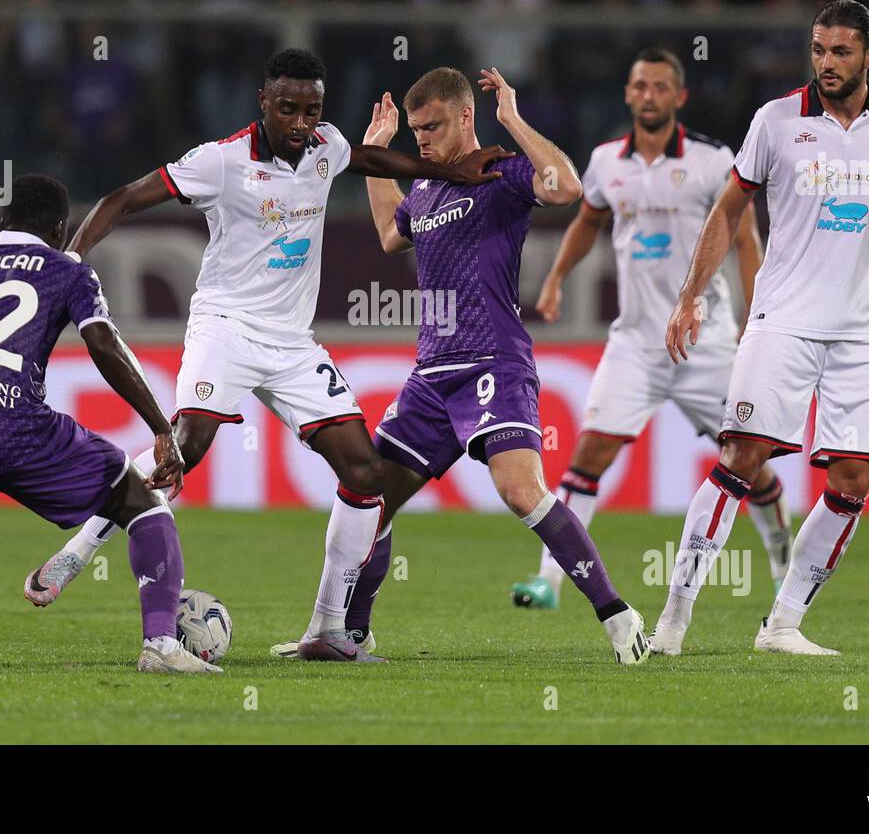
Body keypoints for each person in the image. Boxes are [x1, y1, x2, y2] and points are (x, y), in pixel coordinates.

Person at [24, 48, 508, 662]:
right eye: (288, 109)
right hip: (225, 327)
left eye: (312, 110)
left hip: (291, 342)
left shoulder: (325, 144)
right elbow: (122, 198)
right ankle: (76, 553)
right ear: (263, 103)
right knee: (187, 448)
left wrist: (449, 173)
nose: (302, 123)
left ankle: (329, 630)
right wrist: (70, 262)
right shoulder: (220, 161)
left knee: (366, 476)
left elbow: (364, 158)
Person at [274, 67, 651, 665]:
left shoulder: (500, 170)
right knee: (372, 496)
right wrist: (377, 151)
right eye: (416, 130)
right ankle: (354, 634)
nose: (421, 139)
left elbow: (565, 188)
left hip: (493, 361)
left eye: (433, 127)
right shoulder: (425, 189)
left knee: (520, 490)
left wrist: (514, 119)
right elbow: (388, 234)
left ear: (466, 116)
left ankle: (616, 613)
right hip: (431, 375)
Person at [659, 0, 869, 656]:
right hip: (782, 322)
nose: (826, 63)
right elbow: (728, 207)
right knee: (742, 457)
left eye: (841, 52)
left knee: (854, 479)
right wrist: (690, 296)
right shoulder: (776, 121)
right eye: (819, 50)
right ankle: (674, 616)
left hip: (859, 331)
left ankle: (783, 624)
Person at [0, 174, 213, 674]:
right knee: (143, 504)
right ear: (60, 227)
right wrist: (161, 428)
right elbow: (103, 347)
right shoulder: (66, 269)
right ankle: (160, 646)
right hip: (16, 428)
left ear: (2, 220)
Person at [510, 48, 790, 618]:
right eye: (640, 86)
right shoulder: (605, 161)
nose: (649, 95)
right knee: (589, 452)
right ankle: (549, 581)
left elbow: (744, 241)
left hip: (704, 341)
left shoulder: (715, 161)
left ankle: (782, 559)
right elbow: (587, 223)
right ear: (628, 93)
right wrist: (557, 277)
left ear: (679, 97)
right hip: (635, 342)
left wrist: (755, 319)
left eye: (661, 87)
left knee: (748, 458)